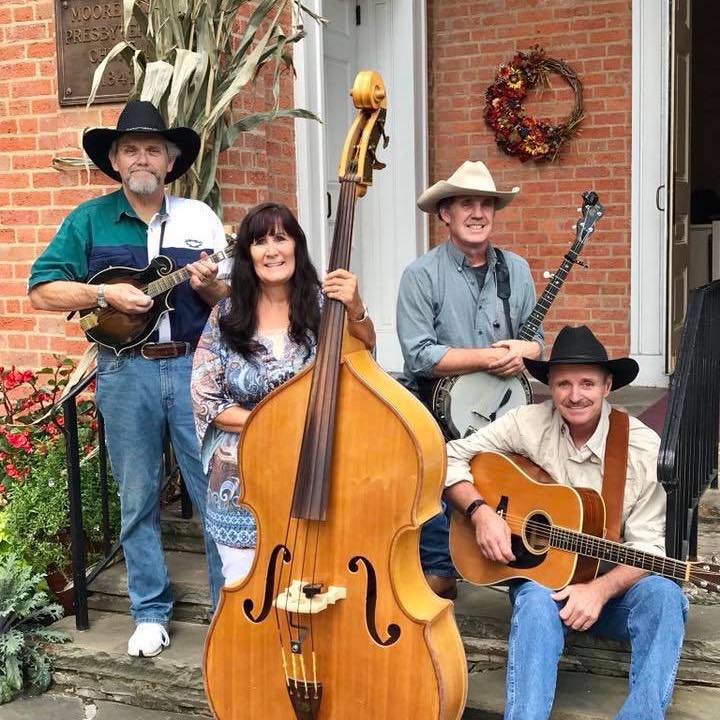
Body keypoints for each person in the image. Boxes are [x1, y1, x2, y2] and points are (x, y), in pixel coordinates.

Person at [28, 100, 227, 658]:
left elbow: (231, 298)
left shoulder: (201, 220)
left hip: (195, 368)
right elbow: (42, 290)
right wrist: (102, 293)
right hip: (123, 372)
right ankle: (148, 611)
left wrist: (211, 286)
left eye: (154, 149)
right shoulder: (88, 220)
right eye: (131, 148)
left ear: (170, 161)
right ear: (115, 160)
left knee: (214, 490)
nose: (143, 158)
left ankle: (228, 608)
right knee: (136, 494)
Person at [444, 325, 688, 720]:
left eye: (588, 383)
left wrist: (599, 591)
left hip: (611, 593)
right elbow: (451, 456)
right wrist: (480, 513)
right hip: (547, 585)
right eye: (564, 384)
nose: (575, 396)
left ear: (608, 386)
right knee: (534, 600)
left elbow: (647, 548)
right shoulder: (527, 422)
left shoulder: (642, 449)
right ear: (550, 387)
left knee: (665, 597)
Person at [191, 202, 375, 583]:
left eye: (281, 237)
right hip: (240, 481)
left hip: (314, 469)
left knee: (315, 587)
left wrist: (356, 308)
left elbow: (366, 360)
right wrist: (277, 422)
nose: (272, 250)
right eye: (259, 241)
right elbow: (207, 400)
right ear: (247, 255)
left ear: (297, 246)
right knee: (246, 586)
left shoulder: (326, 308)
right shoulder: (225, 316)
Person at [396, 160, 544, 598]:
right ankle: (440, 561)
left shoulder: (515, 269)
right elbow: (419, 355)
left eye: (486, 204)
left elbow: (537, 339)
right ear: (446, 213)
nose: (478, 212)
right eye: (467, 204)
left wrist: (527, 350)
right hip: (435, 402)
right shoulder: (421, 275)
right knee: (431, 466)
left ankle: (513, 552)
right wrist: (489, 357)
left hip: (500, 404)